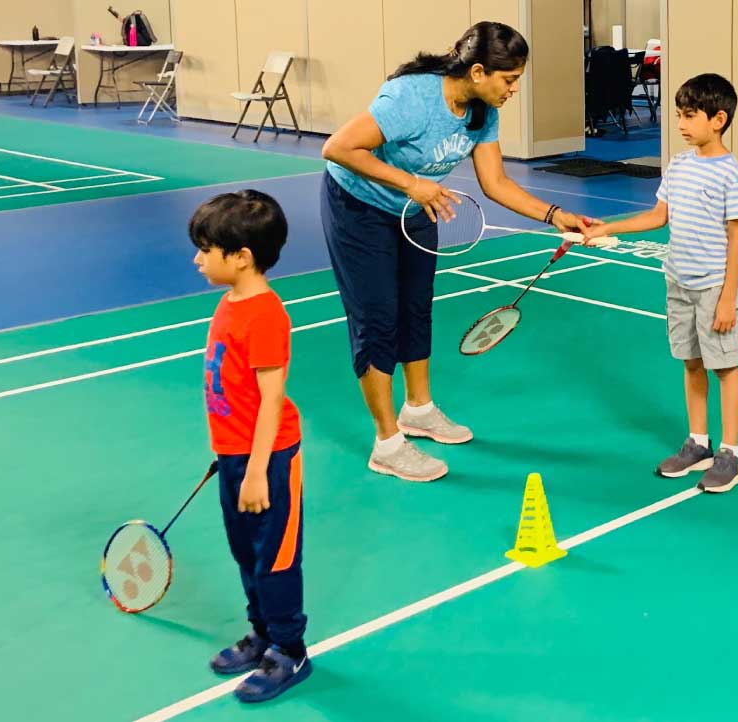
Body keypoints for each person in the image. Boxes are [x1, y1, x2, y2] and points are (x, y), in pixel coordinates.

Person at [320, 21, 590, 482]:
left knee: (416, 309)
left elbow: (496, 182)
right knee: (377, 319)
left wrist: (554, 214)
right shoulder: (411, 99)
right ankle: (387, 443)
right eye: (509, 80)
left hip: (417, 208)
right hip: (359, 208)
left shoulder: (484, 111)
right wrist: (412, 184)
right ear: (480, 71)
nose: (514, 89)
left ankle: (418, 410)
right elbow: (338, 147)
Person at [585, 74, 738, 493]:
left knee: (725, 368)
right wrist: (609, 228)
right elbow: (658, 217)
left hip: (714, 287)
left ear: (718, 119)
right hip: (677, 281)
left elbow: (736, 238)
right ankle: (699, 443)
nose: (680, 123)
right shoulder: (678, 165)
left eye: (689, 115)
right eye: (678, 114)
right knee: (691, 363)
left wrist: (728, 297)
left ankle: (732, 452)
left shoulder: (731, 174)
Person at [192, 190, 311, 703]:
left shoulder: (265, 314)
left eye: (206, 249)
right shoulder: (230, 300)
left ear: (241, 257)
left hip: (270, 460)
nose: (198, 259)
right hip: (236, 456)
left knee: (275, 559)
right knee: (245, 551)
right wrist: (231, 457)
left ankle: (290, 650)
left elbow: (270, 399)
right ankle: (262, 630)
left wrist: (259, 469)